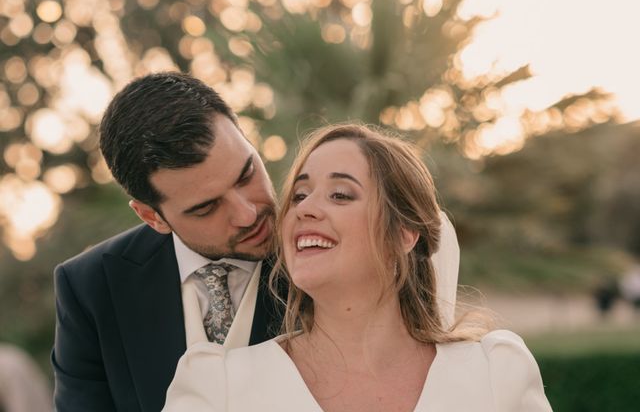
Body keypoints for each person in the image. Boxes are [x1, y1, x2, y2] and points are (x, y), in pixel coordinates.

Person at [52, 74, 461, 412]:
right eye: (206, 207)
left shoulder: (331, 251)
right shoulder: (91, 287)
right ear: (152, 216)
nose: (248, 213)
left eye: (246, 173)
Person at [163, 123, 552, 411]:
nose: (305, 209)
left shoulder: (495, 374)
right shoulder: (219, 388)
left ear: (404, 233)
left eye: (340, 194)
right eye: (299, 194)